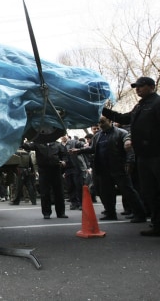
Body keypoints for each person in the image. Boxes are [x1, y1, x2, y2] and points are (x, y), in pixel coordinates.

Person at [101, 76, 160, 236]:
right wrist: (101, 109)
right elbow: (123, 118)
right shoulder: (140, 106)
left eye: (140, 86)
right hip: (143, 156)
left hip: (156, 155)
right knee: (149, 192)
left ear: (150, 86)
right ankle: (157, 225)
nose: (137, 89)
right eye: (136, 86)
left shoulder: (157, 103)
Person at [71, 116, 146, 223]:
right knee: (107, 193)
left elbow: (130, 150)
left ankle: (140, 214)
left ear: (110, 121)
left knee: (128, 191)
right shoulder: (97, 136)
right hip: (103, 169)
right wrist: (79, 150)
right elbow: (92, 149)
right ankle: (110, 213)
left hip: (119, 168)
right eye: (99, 123)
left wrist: (129, 163)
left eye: (103, 122)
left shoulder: (121, 133)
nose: (100, 125)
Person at [22, 140, 69, 219]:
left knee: (59, 192)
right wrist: (21, 139)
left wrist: (64, 161)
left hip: (56, 169)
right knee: (44, 192)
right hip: (43, 170)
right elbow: (27, 146)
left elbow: (64, 155)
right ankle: (46, 213)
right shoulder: (38, 143)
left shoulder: (58, 144)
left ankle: (61, 213)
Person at [60, 135, 87, 210]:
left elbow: (81, 144)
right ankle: (73, 203)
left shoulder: (73, 142)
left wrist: (84, 145)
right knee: (70, 186)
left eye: (64, 135)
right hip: (67, 169)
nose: (63, 137)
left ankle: (81, 203)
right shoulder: (60, 146)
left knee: (78, 185)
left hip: (76, 167)